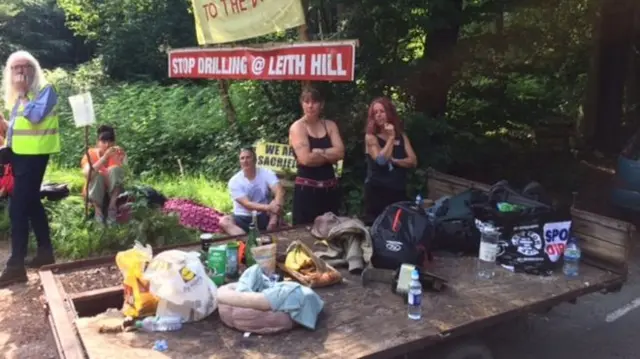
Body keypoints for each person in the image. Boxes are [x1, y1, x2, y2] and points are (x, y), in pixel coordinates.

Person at [0, 50, 60, 287]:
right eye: (15, 68)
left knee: (18, 208)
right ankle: (45, 252)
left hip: (34, 156)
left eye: (25, 66)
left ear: (34, 68)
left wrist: (23, 94)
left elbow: (35, 117)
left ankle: (16, 265)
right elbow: (16, 128)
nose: (20, 71)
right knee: (32, 202)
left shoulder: (46, 90)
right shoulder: (17, 97)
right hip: (19, 155)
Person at [289, 87, 345, 225]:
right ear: (302, 104)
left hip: (330, 190)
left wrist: (319, 152)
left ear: (321, 104)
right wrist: (329, 154)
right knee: (305, 234)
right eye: (306, 101)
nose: (310, 105)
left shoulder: (330, 125)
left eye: (314, 102)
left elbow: (340, 153)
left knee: (332, 233)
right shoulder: (298, 127)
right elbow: (305, 159)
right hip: (307, 191)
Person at [363, 97, 417, 225]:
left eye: (382, 111)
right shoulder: (371, 137)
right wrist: (391, 138)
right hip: (377, 192)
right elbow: (381, 160)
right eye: (375, 113)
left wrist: (395, 161)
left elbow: (413, 161)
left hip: (398, 190)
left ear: (389, 113)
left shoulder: (402, 136)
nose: (379, 115)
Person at [219, 147, 285, 235]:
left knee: (277, 200)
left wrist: (276, 206)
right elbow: (247, 204)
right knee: (224, 221)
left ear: (255, 160)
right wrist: (269, 207)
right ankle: (246, 240)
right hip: (242, 217)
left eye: (248, 157)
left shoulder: (266, 173)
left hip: (263, 215)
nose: (245, 161)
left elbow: (279, 190)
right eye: (242, 158)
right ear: (240, 162)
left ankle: (271, 229)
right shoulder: (234, 181)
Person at [81, 125, 127, 224]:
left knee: (115, 169)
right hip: (95, 192)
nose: (107, 145)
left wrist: (122, 158)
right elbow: (88, 175)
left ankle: (112, 208)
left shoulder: (119, 153)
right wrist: (104, 158)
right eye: (104, 142)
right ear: (98, 142)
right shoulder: (90, 153)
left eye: (110, 141)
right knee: (98, 174)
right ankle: (98, 212)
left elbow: (126, 175)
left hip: (114, 192)